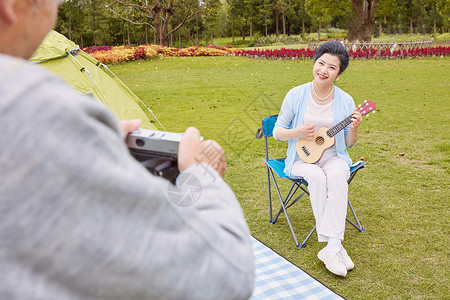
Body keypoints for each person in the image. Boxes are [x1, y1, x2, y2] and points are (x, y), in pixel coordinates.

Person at [0, 0, 254, 299]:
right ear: (11, 6)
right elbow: (225, 273)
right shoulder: (28, 108)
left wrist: (85, 148)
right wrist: (203, 174)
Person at [273, 41, 363, 277]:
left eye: (332, 67)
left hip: (333, 157)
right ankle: (334, 246)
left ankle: (331, 247)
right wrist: (298, 133)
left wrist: (354, 128)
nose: (324, 70)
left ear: (339, 74)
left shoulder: (345, 100)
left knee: (336, 176)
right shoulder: (296, 94)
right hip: (302, 159)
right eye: (321, 63)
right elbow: (278, 132)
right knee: (316, 177)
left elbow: (350, 143)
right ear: (314, 63)